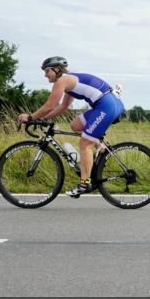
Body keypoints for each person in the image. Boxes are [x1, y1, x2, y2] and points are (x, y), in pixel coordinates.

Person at [17, 56, 125, 198]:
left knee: (85, 144)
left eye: (47, 71)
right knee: (75, 125)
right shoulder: (68, 81)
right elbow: (63, 106)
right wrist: (43, 119)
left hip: (107, 106)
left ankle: (84, 184)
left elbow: (50, 105)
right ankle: (100, 146)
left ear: (57, 69)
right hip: (107, 103)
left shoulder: (62, 81)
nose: (45, 75)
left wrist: (31, 118)